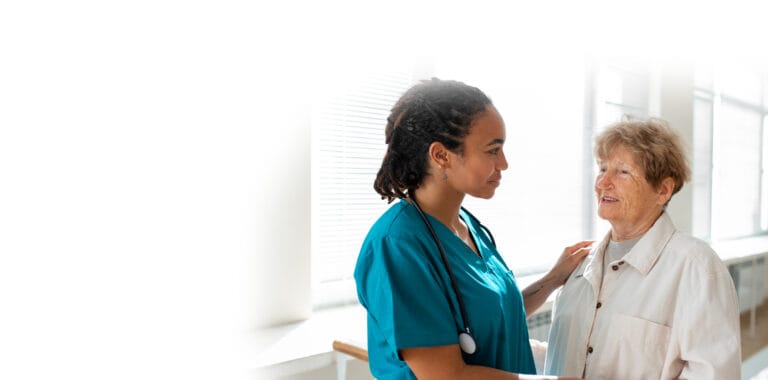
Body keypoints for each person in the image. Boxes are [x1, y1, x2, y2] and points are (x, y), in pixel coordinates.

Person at [354, 78, 591, 380]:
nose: (503, 164)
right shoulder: (397, 245)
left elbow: (495, 317)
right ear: (441, 155)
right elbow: (447, 375)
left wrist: (554, 279)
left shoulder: (468, 226)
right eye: (493, 150)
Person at [544, 116, 742, 379]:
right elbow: (568, 355)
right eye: (602, 168)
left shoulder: (696, 268)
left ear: (663, 190)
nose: (603, 183)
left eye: (622, 171)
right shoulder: (578, 266)